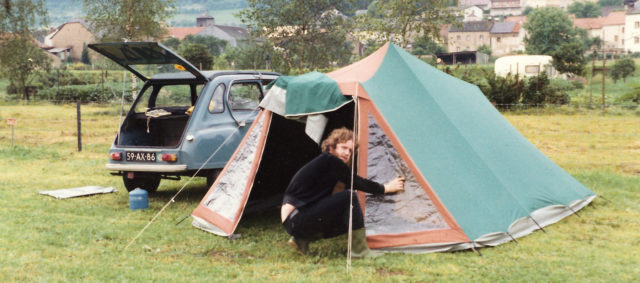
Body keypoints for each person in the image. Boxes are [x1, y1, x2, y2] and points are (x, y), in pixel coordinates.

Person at [281, 127, 405, 257]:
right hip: (295, 218)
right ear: (332, 147)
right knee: (349, 196)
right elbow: (355, 181)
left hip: (295, 221)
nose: (347, 153)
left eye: (350, 151)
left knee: (346, 213)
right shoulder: (329, 159)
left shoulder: (328, 166)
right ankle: (359, 251)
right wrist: (385, 188)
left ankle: (301, 240)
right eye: (344, 148)